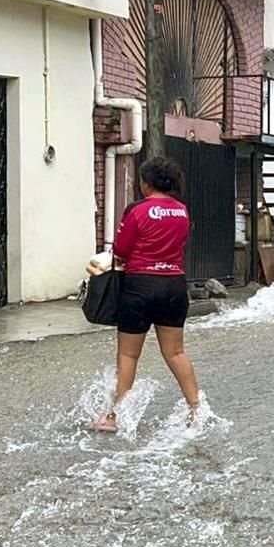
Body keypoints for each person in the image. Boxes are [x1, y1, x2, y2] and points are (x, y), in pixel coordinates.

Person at [93, 157, 201, 433]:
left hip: (140, 286)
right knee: (176, 352)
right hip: (174, 286)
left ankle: (114, 418)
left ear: (146, 183)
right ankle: (196, 409)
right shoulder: (182, 211)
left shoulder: (138, 210)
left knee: (128, 356)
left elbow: (122, 248)